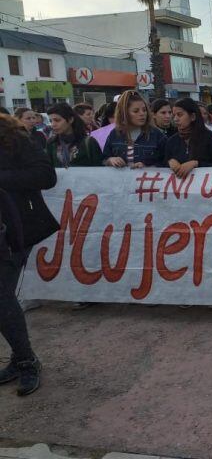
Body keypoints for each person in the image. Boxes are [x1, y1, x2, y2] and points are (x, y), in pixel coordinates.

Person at [0, 113, 59, 396]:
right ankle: (19, 357)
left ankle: (26, 361)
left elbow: (46, 175)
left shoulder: (15, 138)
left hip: (13, 232)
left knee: (1, 296)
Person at [103, 91, 167, 168]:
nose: (142, 114)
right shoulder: (114, 133)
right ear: (124, 113)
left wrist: (148, 167)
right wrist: (111, 160)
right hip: (120, 179)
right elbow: (104, 159)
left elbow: (167, 161)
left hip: (146, 179)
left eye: (144, 110)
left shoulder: (157, 134)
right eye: (136, 111)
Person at [165, 98, 212, 178]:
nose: (175, 119)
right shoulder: (171, 141)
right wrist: (169, 162)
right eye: (174, 115)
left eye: (180, 115)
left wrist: (196, 164)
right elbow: (159, 165)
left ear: (192, 117)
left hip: (206, 187)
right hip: (179, 189)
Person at [45, 103, 103, 168]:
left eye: (57, 120)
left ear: (70, 120)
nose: (53, 124)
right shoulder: (51, 143)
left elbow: (99, 169)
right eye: (51, 121)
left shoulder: (88, 142)